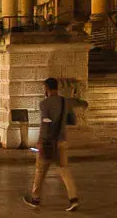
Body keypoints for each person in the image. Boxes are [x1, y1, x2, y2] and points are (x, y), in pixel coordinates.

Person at [23, 78, 80, 212]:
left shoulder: (45, 104)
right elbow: (72, 120)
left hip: (48, 142)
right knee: (64, 170)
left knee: (40, 170)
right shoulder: (64, 101)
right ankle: (73, 199)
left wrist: (41, 141)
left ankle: (35, 198)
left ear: (47, 88)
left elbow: (46, 123)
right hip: (61, 141)